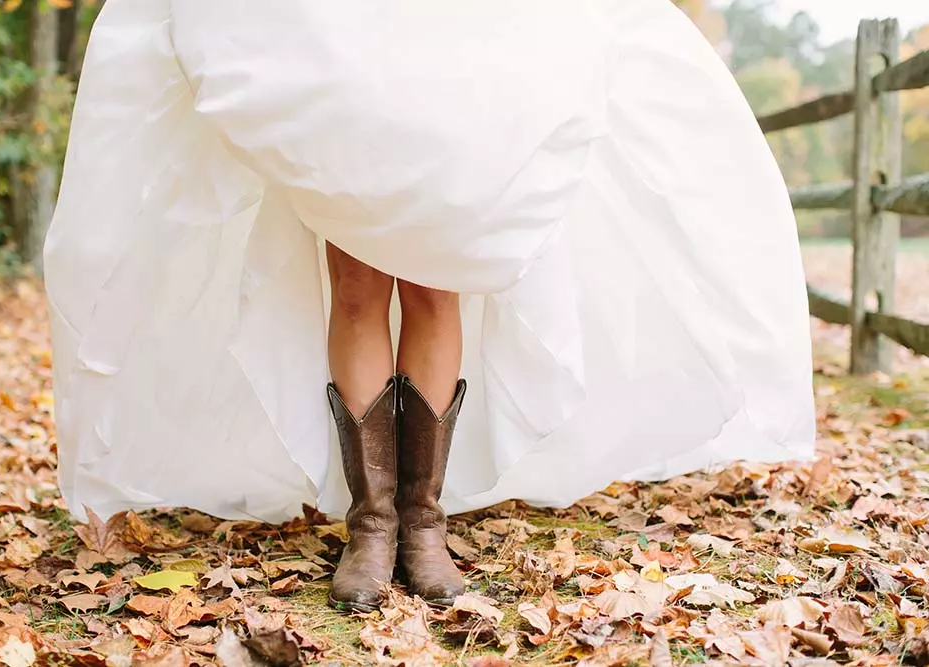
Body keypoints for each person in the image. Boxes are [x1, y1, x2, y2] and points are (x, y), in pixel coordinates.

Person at [44, 0, 816, 612]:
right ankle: (371, 522)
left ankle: (422, 518)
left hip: (458, 42)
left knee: (433, 279)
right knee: (354, 284)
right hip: (342, 40)